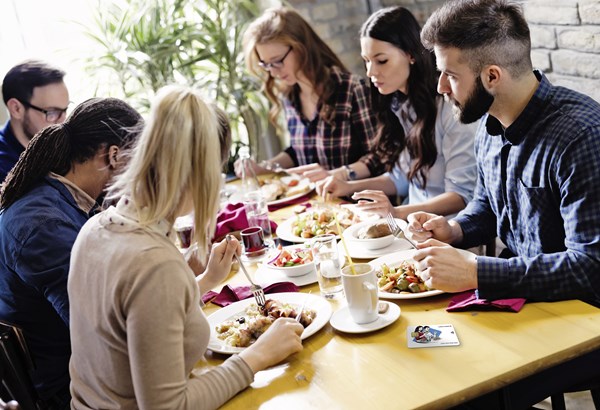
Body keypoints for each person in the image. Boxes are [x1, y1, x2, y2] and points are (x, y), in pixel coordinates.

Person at [410, 0, 600, 407]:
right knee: (422, 359)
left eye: (449, 75)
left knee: (464, 392)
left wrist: (479, 271)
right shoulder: (489, 124)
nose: (440, 87)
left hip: (582, 319)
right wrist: (455, 229)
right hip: (521, 302)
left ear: (491, 75)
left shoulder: (582, 135)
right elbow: (490, 204)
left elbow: (590, 267)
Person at [68, 86, 304, 408]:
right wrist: (257, 356)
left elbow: (139, 319)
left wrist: (205, 281)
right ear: (202, 174)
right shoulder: (154, 264)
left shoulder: (97, 228)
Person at [0, 97, 142, 408]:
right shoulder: (43, 226)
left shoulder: (60, 199)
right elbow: (99, 331)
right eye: (140, 160)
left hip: (79, 366)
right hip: (70, 388)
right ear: (114, 155)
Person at [317, 6, 478, 220]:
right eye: (367, 61)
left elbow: (461, 197)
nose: (371, 72)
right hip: (410, 225)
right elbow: (401, 179)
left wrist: (395, 212)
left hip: (449, 231)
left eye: (381, 60)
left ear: (410, 54)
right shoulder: (403, 105)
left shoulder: (450, 110)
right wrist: (346, 187)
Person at [236, 6, 380, 183]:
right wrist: (262, 168)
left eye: (277, 61)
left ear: (301, 47)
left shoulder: (351, 90)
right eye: (266, 65)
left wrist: (337, 175)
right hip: (316, 207)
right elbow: (299, 151)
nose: (273, 72)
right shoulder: (289, 97)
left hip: (356, 204)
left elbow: (380, 157)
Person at [0, 60, 69, 181]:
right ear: (16, 109)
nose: (63, 121)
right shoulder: (4, 168)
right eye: (52, 112)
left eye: (65, 109)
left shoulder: (59, 145)